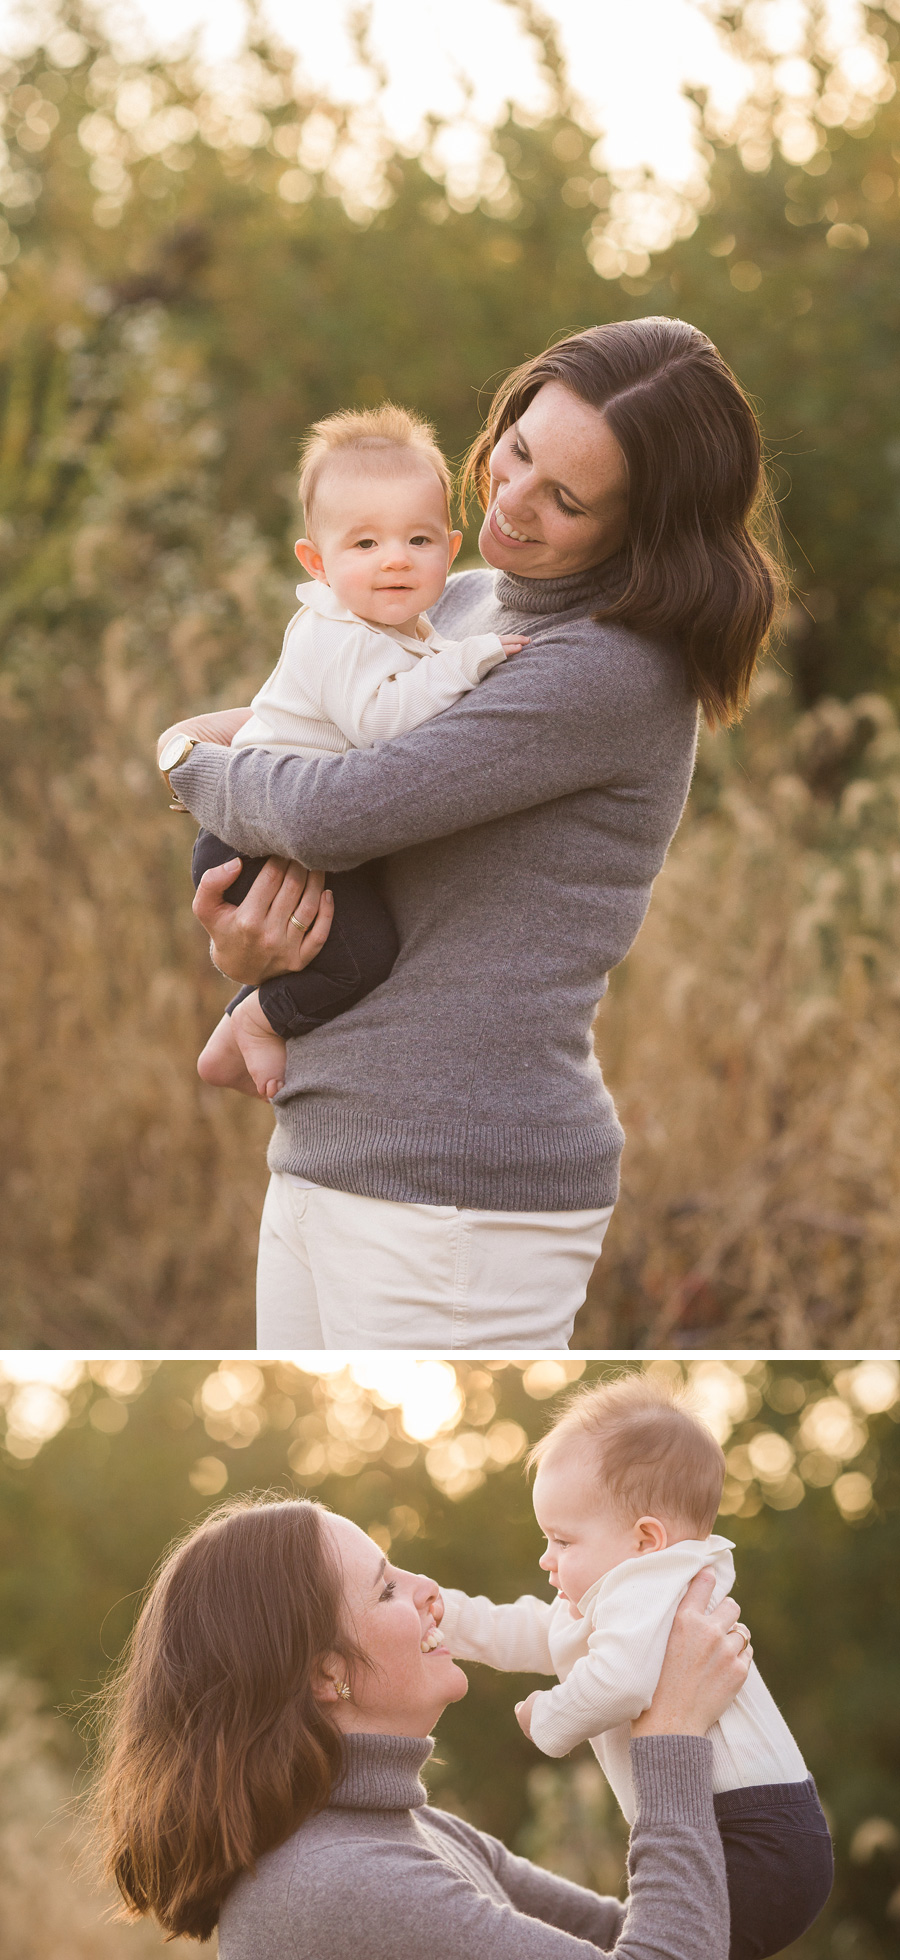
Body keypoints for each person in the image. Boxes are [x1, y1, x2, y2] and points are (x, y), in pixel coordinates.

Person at [167, 317, 784, 1348]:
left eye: (567, 499)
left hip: (457, 1190)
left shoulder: (606, 669)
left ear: (644, 528)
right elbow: (283, 731)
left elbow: (332, 809)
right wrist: (252, 964)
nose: (509, 499)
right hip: (328, 1147)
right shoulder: (460, 603)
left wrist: (181, 765)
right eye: (521, 450)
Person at [93, 1493, 755, 1955]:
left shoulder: (407, 1835)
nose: (430, 1590)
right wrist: (671, 1732)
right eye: (386, 1588)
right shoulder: (344, 1882)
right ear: (326, 1675)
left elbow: (660, 1935)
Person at [157, 404, 526, 1100]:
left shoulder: (401, 628)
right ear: (317, 562)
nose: (394, 558)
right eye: (364, 545)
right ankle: (262, 1021)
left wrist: (448, 656)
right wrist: (471, 660)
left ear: (449, 552)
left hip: (276, 828)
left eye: (417, 540)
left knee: (340, 941)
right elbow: (383, 723)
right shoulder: (339, 633)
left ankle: (233, 1034)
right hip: (257, 840)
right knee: (363, 956)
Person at [437, 1374, 833, 1960]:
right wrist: (446, 1615)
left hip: (751, 1838)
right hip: (764, 1833)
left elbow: (618, 1683)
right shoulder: (630, 1594)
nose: (545, 1559)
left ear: (646, 1538)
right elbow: (529, 1630)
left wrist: (550, 1717)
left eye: (562, 1540)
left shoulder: (651, 1588)